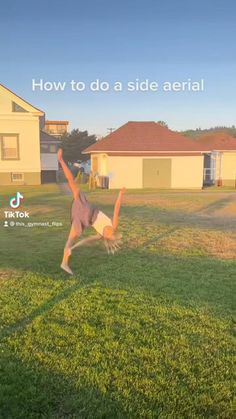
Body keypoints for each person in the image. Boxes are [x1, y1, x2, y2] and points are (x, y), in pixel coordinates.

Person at [58, 149, 126, 275]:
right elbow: (116, 209)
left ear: (109, 239)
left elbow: (86, 240)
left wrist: (73, 247)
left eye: (112, 237)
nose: (113, 234)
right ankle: (64, 262)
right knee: (71, 182)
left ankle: (64, 262)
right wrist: (120, 195)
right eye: (113, 235)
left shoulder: (103, 234)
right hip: (83, 212)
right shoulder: (110, 228)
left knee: (70, 240)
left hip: (82, 214)